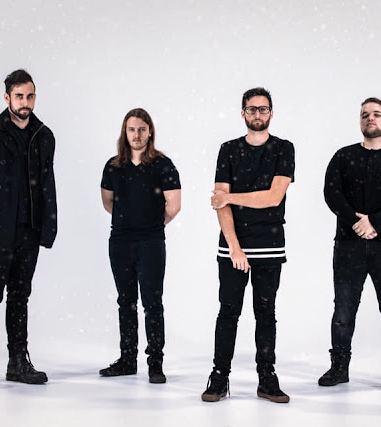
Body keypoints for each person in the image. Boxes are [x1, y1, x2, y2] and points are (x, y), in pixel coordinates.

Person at [0, 69, 57, 389]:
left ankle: (17, 363)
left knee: (20, 296)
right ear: (7, 98)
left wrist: (48, 225)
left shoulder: (44, 136)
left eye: (29, 96)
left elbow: (47, 183)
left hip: (28, 229)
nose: (25, 102)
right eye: (19, 96)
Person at [319, 97, 381, 392]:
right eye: (365, 114)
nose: (370, 118)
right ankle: (339, 367)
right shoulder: (343, 156)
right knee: (343, 311)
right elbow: (331, 193)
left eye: (376, 114)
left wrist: (375, 222)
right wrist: (356, 222)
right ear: (359, 121)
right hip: (348, 246)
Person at [201, 88, 295, 403]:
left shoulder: (283, 149)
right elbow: (220, 204)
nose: (257, 114)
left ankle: (267, 378)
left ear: (271, 113)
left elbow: (274, 197)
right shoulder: (228, 150)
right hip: (233, 247)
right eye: (251, 109)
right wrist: (235, 247)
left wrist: (229, 196)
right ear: (243, 113)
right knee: (228, 312)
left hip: (270, 245)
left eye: (263, 109)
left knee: (265, 313)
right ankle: (219, 377)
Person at [99, 108, 181, 384]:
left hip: (151, 242)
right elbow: (108, 203)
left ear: (150, 132)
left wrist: (150, 224)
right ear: (125, 132)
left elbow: (174, 206)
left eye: (142, 129)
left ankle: (155, 363)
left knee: (152, 302)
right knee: (126, 301)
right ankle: (127, 360)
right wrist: (130, 221)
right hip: (120, 241)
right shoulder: (113, 166)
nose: (136, 135)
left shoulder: (163, 165)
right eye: (132, 129)